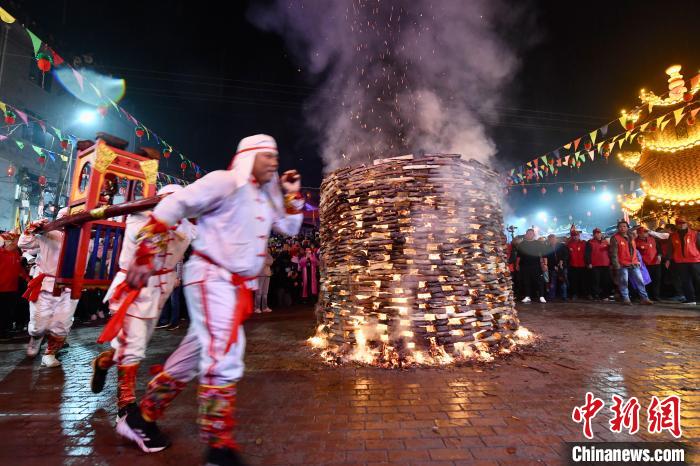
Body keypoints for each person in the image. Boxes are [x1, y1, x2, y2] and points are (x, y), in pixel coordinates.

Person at [119, 135, 304, 464]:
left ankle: (141, 417)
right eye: (267, 155)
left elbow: (290, 228)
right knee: (226, 352)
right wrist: (146, 253)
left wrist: (290, 195)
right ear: (247, 156)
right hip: (211, 277)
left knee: (194, 356)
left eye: (276, 155)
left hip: (235, 290)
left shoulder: (265, 198)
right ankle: (219, 447)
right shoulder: (224, 181)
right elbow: (175, 205)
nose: (274, 162)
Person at [89, 185, 194, 440]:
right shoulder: (139, 216)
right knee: (133, 348)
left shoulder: (187, 226)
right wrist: (159, 218)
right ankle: (126, 406)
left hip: (158, 293)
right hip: (133, 287)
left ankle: (102, 362)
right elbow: (142, 240)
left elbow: (195, 236)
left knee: (129, 348)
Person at [18, 207, 79, 367]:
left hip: (69, 287)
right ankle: (36, 338)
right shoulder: (48, 233)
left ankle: (50, 353)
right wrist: (32, 228)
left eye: (69, 217)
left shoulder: (84, 238)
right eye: (61, 217)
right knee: (39, 324)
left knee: (62, 323)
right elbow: (23, 243)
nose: (65, 220)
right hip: (46, 284)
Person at [609, 220, 653, 305]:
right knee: (623, 282)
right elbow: (613, 253)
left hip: (634, 263)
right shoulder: (615, 238)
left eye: (624, 226)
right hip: (622, 264)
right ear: (618, 228)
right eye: (620, 226)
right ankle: (626, 299)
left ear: (627, 228)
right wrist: (616, 265)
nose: (622, 228)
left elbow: (635, 250)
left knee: (640, 281)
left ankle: (644, 298)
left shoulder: (631, 236)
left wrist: (638, 260)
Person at [664, 217, 700, 305]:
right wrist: (668, 259)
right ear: (676, 225)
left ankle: (698, 298)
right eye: (679, 223)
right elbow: (670, 249)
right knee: (685, 281)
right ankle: (691, 300)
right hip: (680, 261)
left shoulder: (695, 234)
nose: (681, 225)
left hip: (694, 260)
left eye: (683, 223)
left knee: (698, 279)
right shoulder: (673, 236)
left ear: (686, 223)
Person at [515, 228, 547, 303]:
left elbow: (544, 255)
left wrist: (545, 264)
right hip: (524, 266)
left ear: (534, 234)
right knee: (526, 281)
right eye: (528, 233)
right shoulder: (522, 244)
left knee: (539, 281)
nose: (529, 235)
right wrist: (517, 264)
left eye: (531, 233)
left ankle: (541, 296)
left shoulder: (538, 243)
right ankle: (527, 296)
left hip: (536, 265)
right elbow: (519, 256)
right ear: (526, 234)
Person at [635, 227, 662, 301]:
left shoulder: (652, 239)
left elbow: (659, 249)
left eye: (646, 232)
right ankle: (647, 296)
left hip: (656, 263)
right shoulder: (635, 242)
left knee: (656, 280)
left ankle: (656, 296)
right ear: (639, 233)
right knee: (646, 281)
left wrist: (659, 255)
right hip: (645, 265)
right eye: (644, 232)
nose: (646, 233)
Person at [585, 228, 612, 300]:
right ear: (593, 234)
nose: (597, 234)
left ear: (601, 233)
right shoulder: (590, 242)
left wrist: (611, 263)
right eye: (596, 233)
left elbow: (610, 252)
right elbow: (587, 254)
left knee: (606, 280)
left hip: (606, 264)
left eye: (599, 233)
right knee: (595, 281)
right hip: (595, 265)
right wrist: (589, 263)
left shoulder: (606, 242)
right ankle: (595, 294)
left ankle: (605, 295)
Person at [544, 234, 569, 301]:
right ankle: (551, 296)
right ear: (549, 240)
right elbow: (547, 258)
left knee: (563, 282)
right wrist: (553, 266)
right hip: (553, 268)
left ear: (556, 239)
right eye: (550, 239)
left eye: (553, 238)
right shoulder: (547, 248)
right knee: (552, 283)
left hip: (562, 267)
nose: (552, 240)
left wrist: (561, 261)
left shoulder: (562, 246)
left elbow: (566, 255)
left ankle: (564, 296)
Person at [566, 230, 587, 299]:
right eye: (574, 236)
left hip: (583, 265)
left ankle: (583, 294)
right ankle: (574, 294)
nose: (575, 237)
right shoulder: (568, 244)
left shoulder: (584, 243)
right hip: (572, 266)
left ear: (579, 236)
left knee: (583, 281)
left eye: (577, 235)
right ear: (572, 236)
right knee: (574, 281)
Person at [254, 247, 273, 313]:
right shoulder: (257, 254)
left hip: (267, 274)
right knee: (259, 292)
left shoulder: (268, 254)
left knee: (265, 292)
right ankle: (257, 308)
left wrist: (264, 261)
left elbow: (271, 261)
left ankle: (264, 307)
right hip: (260, 274)